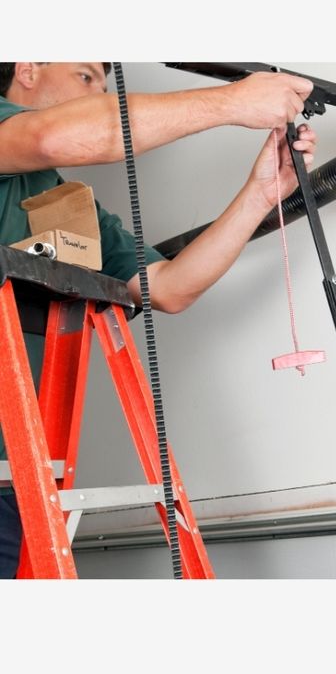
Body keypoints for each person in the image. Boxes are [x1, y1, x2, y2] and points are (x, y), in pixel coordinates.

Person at [0, 62, 318, 578]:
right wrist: (234, 103)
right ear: (28, 67)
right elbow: (56, 136)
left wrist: (261, 193)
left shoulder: (63, 207)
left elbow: (170, 287)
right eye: (86, 77)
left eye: (105, 84)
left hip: (18, 476)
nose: (99, 92)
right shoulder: (28, 136)